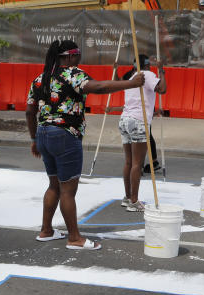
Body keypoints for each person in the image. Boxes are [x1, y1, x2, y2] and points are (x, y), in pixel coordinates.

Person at [25, 40, 144, 250]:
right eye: (78, 54)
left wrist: (35, 139)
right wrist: (132, 83)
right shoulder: (73, 74)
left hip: (44, 134)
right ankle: (74, 238)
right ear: (70, 56)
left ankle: (46, 230)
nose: (79, 58)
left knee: (54, 185)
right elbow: (99, 87)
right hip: (65, 135)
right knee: (68, 191)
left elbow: (29, 111)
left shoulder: (40, 78)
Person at [116, 54, 165, 212]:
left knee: (129, 162)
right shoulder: (147, 75)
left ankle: (127, 197)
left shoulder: (132, 77)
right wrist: (161, 70)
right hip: (138, 121)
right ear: (147, 65)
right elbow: (162, 89)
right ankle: (134, 201)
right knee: (137, 163)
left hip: (125, 120)